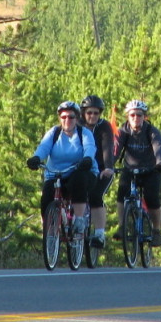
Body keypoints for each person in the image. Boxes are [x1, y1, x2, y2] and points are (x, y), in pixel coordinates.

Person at [26, 101, 98, 239]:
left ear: (77, 118)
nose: (67, 120)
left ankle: (79, 219)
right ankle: (50, 230)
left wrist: (87, 159)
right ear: (59, 118)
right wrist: (36, 158)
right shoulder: (54, 133)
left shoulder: (84, 133)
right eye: (63, 117)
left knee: (79, 179)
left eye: (71, 117)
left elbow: (90, 147)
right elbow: (44, 147)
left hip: (81, 171)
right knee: (47, 196)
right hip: (56, 174)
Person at [114, 100, 161, 247]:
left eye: (139, 115)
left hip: (150, 169)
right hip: (130, 169)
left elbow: (158, 149)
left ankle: (156, 231)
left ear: (144, 117)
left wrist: (160, 163)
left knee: (151, 197)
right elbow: (115, 151)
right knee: (121, 193)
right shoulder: (123, 131)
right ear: (127, 116)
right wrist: (108, 165)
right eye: (132, 115)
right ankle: (121, 226)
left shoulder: (151, 131)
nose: (135, 118)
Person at [80, 95, 116, 249]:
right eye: (89, 113)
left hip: (102, 169)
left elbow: (108, 147)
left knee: (95, 196)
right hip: (83, 168)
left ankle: (99, 234)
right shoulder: (78, 125)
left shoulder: (104, 126)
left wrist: (108, 167)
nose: (92, 116)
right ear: (83, 113)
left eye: (96, 113)